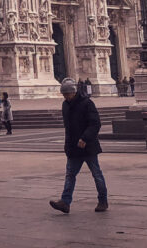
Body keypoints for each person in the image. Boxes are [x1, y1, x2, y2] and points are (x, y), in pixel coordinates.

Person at [49, 78, 108, 214]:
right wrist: (67, 146)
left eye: (67, 94)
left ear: (73, 92)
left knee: (97, 174)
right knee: (70, 175)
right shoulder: (65, 105)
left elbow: (95, 124)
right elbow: (68, 128)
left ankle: (103, 201)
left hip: (88, 146)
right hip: (74, 147)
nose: (65, 97)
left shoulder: (87, 103)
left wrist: (85, 138)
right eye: (63, 95)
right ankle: (65, 202)